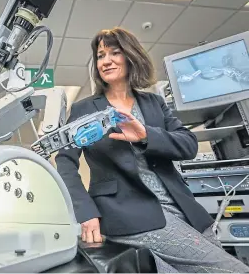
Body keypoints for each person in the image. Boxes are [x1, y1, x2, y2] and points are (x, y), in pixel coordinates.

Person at [55, 27, 249, 273]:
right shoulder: (84, 109)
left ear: (131, 56)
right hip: (130, 212)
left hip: (183, 208)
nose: (106, 61)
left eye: (114, 53)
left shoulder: (154, 103)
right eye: (101, 55)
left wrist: (146, 135)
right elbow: (65, 161)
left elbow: (188, 144)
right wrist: (86, 212)